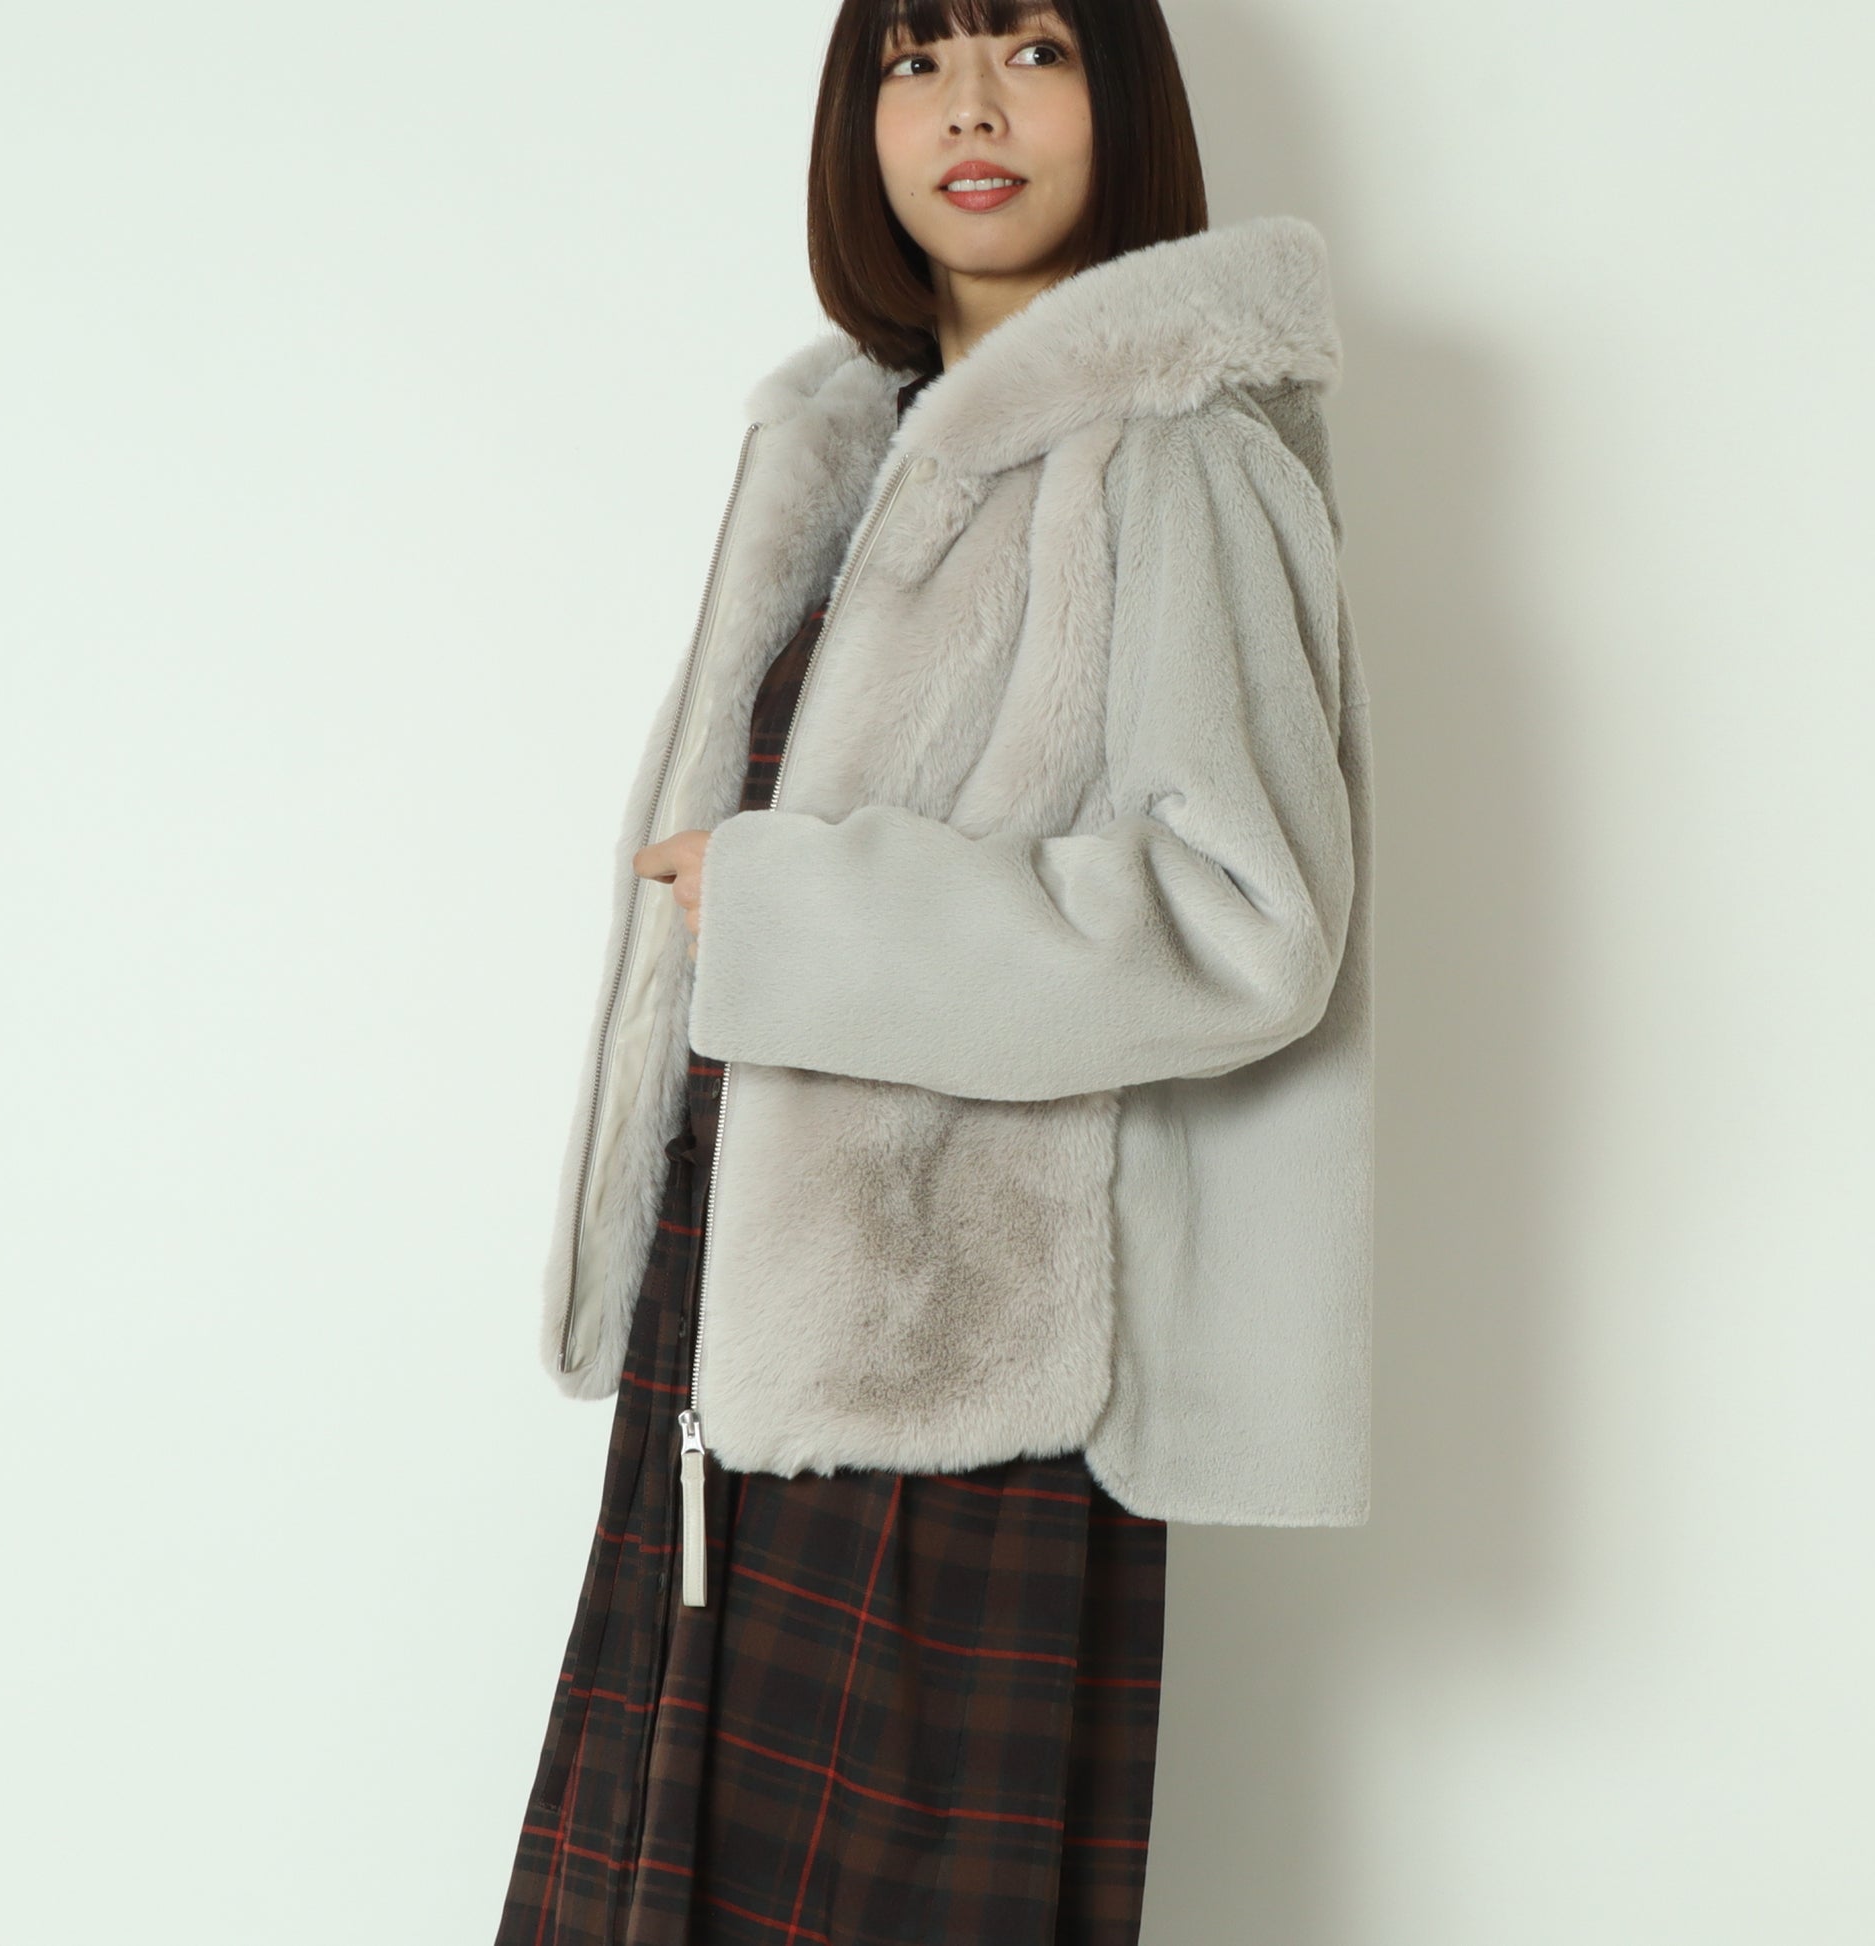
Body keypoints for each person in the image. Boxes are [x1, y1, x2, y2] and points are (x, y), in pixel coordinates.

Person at [496, 0, 1373, 1937]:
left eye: (1029, 50)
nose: (967, 107)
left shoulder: (1171, 454)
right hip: (737, 1348)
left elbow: (1247, 920)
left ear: (1121, 98)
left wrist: (800, 917)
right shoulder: (848, 449)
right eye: (913, 61)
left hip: (953, 1389)